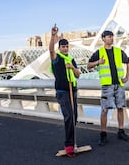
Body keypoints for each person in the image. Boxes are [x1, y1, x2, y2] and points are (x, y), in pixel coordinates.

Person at [87, 30, 129, 145]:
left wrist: (127, 76)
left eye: (112, 37)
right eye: (109, 37)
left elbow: (128, 62)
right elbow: (88, 66)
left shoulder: (118, 51)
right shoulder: (99, 52)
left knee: (120, 107)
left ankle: (121, 131)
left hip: (119, 84)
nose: (111, 38)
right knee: (104, 110)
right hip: (107, 85)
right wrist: (98, 62)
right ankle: (103, 134)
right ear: (103, 38)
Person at [49, 25, 81, 157]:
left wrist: (72, 67)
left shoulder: (71, 59)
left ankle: (72, 143)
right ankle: (68, 145)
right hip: (62, 92)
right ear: (60, 48)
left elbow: (78, 74)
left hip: (72, 91)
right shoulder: (57, 59)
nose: (66, 48)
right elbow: (50, 50)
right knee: (68, 117)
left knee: (74, 118)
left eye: (67, 46)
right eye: (63, 46)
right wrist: (52, 36)